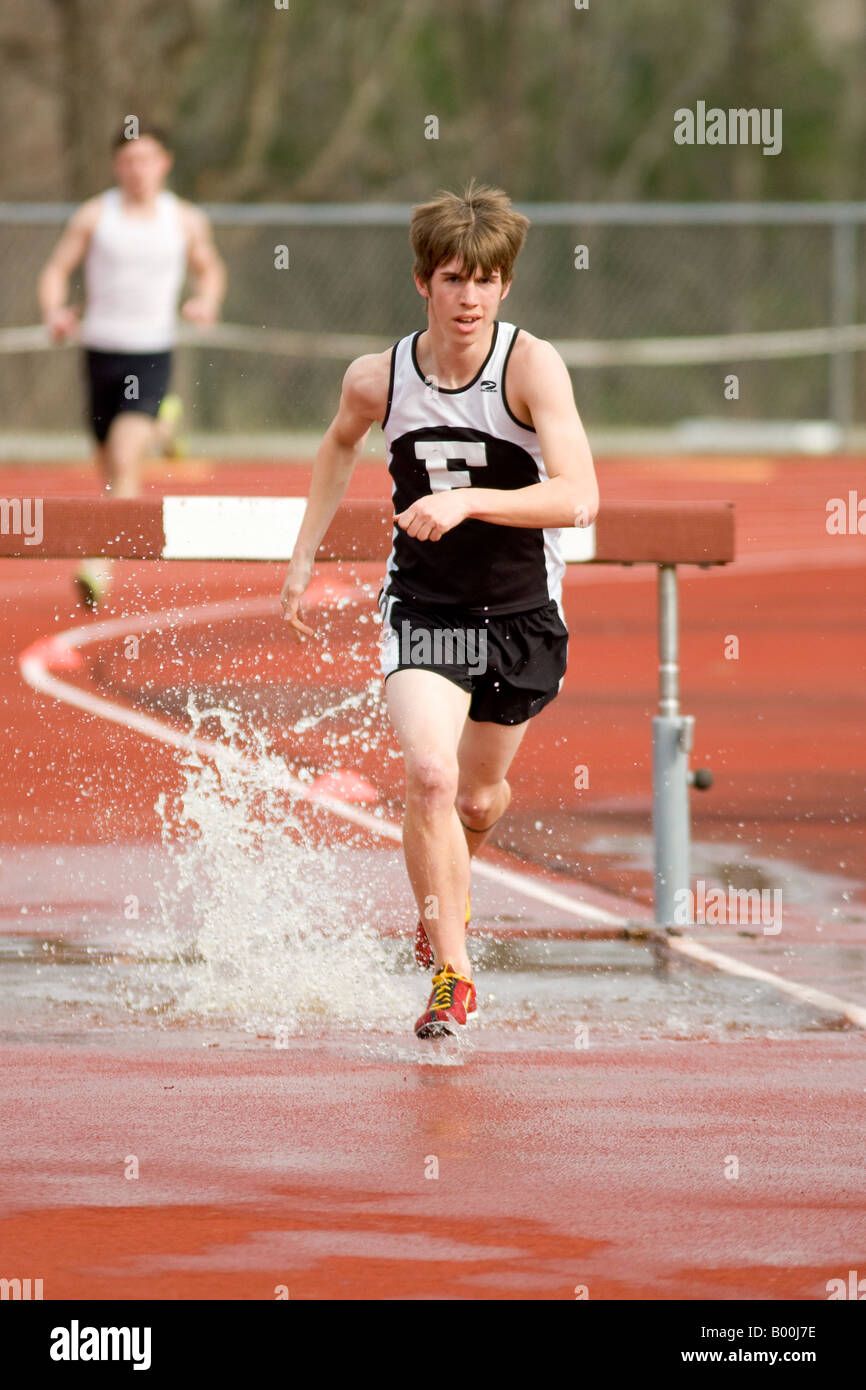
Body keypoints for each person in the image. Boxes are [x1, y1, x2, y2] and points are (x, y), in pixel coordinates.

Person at [280, 181, 599, 1039]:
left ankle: (443, 906)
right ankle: (452, 975)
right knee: (429, 774)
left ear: (505, 287)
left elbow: (579, 497)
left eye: (486, 282)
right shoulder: (378, 377)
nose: (470, 298)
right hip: (424, 606)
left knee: (480, 799)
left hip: (522, 613)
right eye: (454, 280)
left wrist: (469, 503)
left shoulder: (530, 367)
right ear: (423, 282)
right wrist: (307, 550)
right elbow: (337, 445)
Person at [37, 123, 226, 608]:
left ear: (164, 163)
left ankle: (98, 563)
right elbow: (57, 270)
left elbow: (210, 268)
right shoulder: (95, 215)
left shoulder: (183, 219)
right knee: (106, 464)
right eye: (128, 162)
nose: (137, 171)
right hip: (100, 351)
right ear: (116, 166)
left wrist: (205, 301)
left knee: (123, 457)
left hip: (151, 351)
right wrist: (56, 312)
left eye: (146, 160)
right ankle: (164, 427)